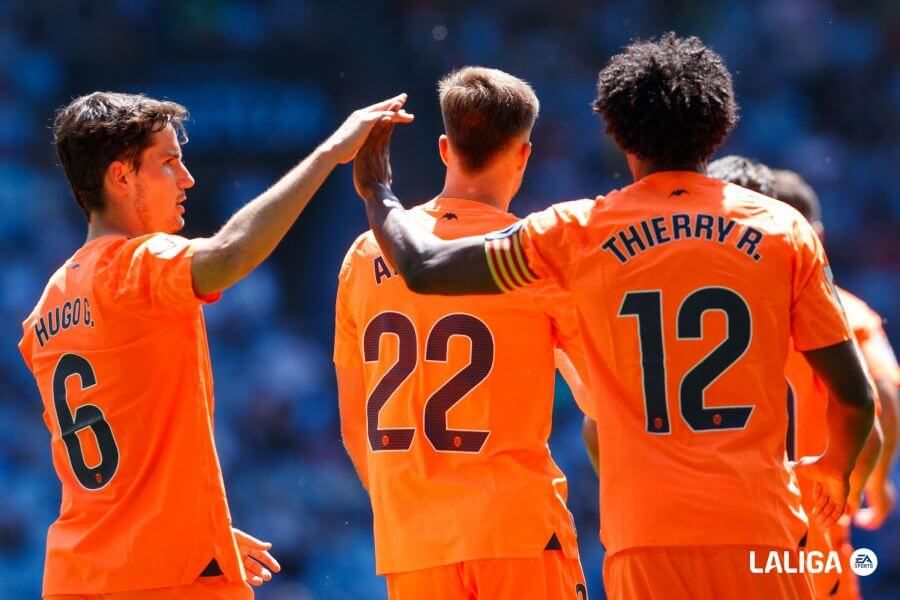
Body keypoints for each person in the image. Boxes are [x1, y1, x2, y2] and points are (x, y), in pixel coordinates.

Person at [352, 33, 875, 599]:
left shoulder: (578, 232)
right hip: (764, 531)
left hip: (643, 536)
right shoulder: (782, 230)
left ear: (617, 133)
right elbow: (855, 397)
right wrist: (832, 469)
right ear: (720, 126)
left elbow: (426, 267)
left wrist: (378, 190)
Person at [19, 91, 412, 599]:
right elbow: (230, 253)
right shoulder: (135, 264)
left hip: (81, 575)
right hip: (166, 581)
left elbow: (120, 446)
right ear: (121, 176)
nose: (187, 180)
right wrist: (329, 154)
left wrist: (193, 528)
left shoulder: (46, 308)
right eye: (168, 163)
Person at [335, 67, 590, 600]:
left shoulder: (365, 254)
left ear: (445, 149)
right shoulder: (533, 254)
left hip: (412, 545)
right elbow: (597, 396)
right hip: (515, 531)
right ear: (524, 155)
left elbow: (357, 428)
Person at [707, 156, 888, 599]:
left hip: (697, 532)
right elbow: (877, 406)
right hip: (803, 530)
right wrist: (869, 490)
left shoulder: (672, 310)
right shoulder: (836, 311)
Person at [772, 169, 899, 600]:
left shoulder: (733, 312)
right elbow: (882, 395)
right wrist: (874, 485)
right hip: (815, 522)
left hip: (728, 520)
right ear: (817, 236)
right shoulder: (847, 310)